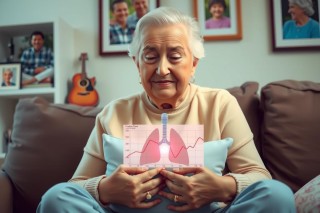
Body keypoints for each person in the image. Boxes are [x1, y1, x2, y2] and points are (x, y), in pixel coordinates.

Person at [37, 7, 296, 213]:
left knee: (277, 195)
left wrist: (222, 187)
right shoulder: (113, 113)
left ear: (193, 64)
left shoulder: (220, 103)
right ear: (136, 63)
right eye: (150, 56)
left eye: (174, 56)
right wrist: (104, 190)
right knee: (56, 198)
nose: (162, 69)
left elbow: (261, 178)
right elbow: (73, 188)